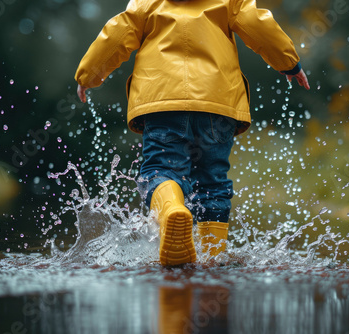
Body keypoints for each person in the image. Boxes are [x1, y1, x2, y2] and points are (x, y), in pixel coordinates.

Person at [75, 0, 310, 266]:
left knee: (160, 170)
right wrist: (289, 63)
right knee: (213, 183)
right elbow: (258, 25)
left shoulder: (146, 2)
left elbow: (116, 35)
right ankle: (212, 258)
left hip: (164, 103)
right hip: (218, 105)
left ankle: (173, 210)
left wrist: (88, 75)